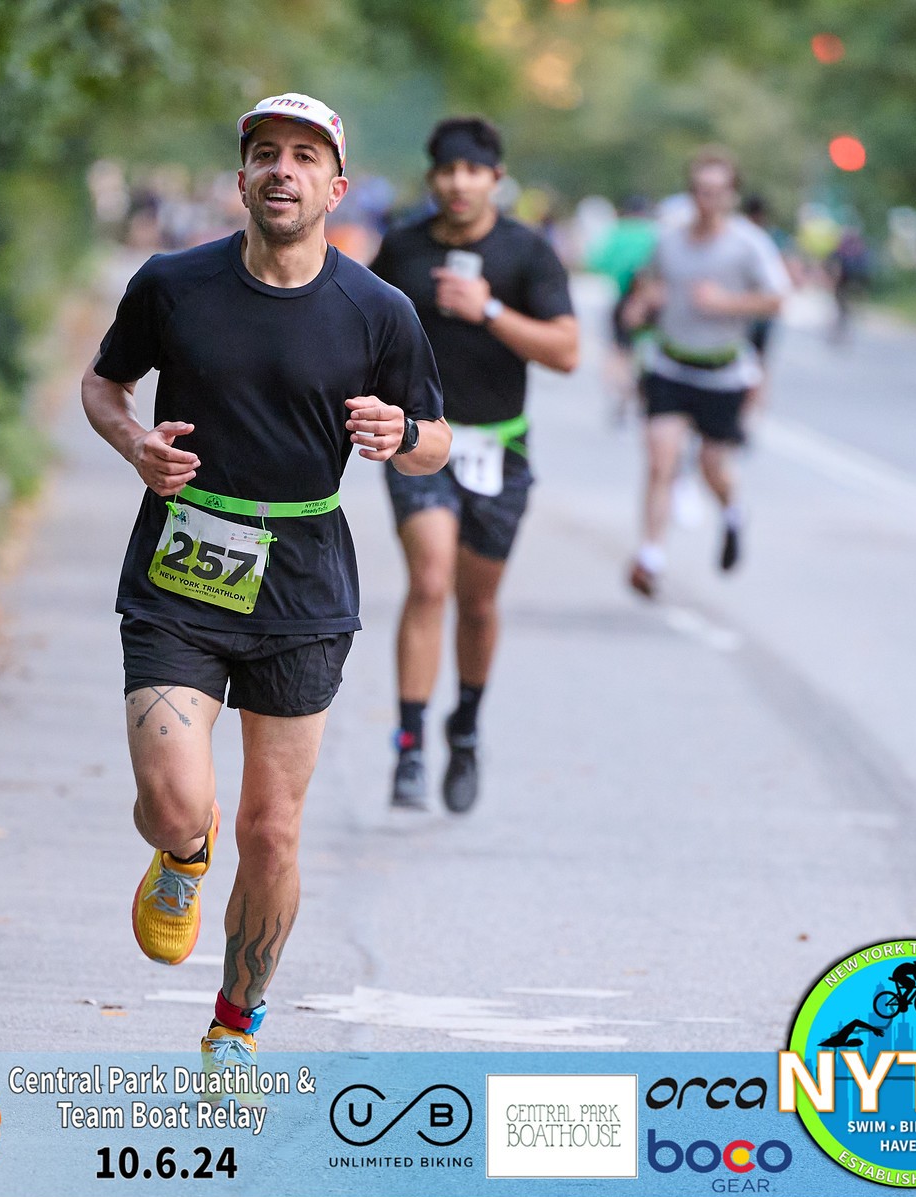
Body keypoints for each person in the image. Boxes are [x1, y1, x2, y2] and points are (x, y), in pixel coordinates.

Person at [81, 92, 450, 1077]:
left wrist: (402, 435)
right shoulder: (172, 284)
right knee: (179, 807)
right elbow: (104, 387)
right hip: (180, 573)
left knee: (273, 827)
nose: (282, 171)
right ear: (242, 177)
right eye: (265, 155)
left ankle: (235, 1024)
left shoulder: (380, 312)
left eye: (303, 157)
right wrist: (136, 446)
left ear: (335, 185)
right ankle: (179, 858)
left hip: (301, 589)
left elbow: (436, 438)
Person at [369, 116, 578, 813]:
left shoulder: (527, 253)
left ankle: (464, 727)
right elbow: (358, 332)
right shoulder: (400, 249)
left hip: (501, 449)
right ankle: (410, 745)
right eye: (447, 170)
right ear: (432, 178)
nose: (458, 182)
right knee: (429, 581)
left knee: (478, 602)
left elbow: (566, 351)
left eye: (473, 170)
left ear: (495, 177)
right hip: (422, 443)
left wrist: (487, 307)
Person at [622, 148, 790, 599]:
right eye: (699, 191)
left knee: (712, 464)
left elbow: (777, 299)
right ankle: (650, 556)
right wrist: (642, 305)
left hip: (722, 371)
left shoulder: (748, 244)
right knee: (660, 459)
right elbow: (650, 283)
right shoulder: (670, 240)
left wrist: (726, 304)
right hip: (671, 363)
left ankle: (734, 511)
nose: (707, 200)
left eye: (717, 192)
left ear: (731, 195)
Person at [586, 195, 658, 425]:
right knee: (647, 349)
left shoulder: (617, 232)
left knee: (619, 350)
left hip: (624, 298)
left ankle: (622, 391)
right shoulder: (655, 233)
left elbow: (595, 262)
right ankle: (641, 389)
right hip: (652, 303)